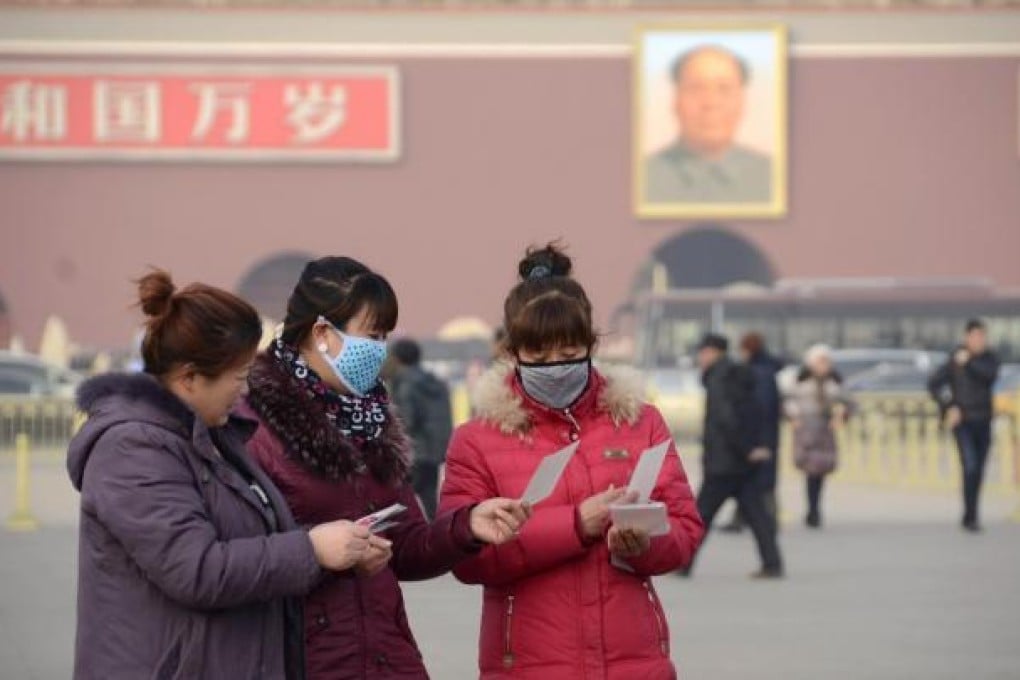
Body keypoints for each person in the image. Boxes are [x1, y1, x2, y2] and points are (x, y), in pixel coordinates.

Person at [67, 270, 376, 680]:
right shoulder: (132, 449)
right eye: (239, 376)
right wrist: (311, 549)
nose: (244, 390)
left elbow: (246, 543)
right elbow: (196, 569)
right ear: (190, 377)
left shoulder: (211, 437)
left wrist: (335, 550)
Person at [239, 256, 530, 680]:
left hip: (386, 657)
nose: (379, 349)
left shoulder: (371, 418)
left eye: (384, 336)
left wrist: (467, 526)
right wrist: (319, 552)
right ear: (322, 333)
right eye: (371, 335)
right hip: (306, 659)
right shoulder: (254, 425)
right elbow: (236, 559)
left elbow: (407, 547)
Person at [440, 243, 704, 680]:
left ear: (591, 344)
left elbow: (685, 529)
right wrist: (576, 524)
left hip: (632, 662)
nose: (556, 368)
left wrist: (645, 543)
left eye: (568, 355)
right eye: (539, 358)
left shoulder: (641, 422)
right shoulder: (476, 440)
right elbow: (467, 559)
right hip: (527, 664)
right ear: (512, 353)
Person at [685, 332, 783, 579]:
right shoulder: (739, 373)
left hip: (724, 462)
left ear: (711, 352)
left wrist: (745, 448)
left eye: (702, 352)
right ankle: (772, 563)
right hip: (740, 461)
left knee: (701, 515)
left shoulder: (720, 377)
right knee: (757, 514)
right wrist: (751, 448)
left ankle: (683, 564)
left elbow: (725, 418)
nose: (700, 358)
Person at [644, 44, 772, 205]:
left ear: (742, 102)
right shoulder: (642, 177)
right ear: (675, 101)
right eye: (695, 88)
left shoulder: (773, 176)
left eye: (724, 89)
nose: (711, 103)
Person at [928, 319, 1001, 532]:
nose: (978, 340)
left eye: (982, 336)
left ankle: (972, 512)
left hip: (984, 419)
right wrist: (949, 406)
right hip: (963, 421)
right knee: (969, 466)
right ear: (967, 337)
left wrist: (968, 362)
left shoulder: (990, 359)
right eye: (975, 336)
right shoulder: (954, 359)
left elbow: (989, 377)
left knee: (978, 468)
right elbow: (934, 384)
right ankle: (970, 516)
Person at [720, 332, 784, 532]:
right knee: (751, 478)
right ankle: (746, 518)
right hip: (765, 433)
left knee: (760, 479)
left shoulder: (757, 373)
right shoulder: (767, 370)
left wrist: (759, 440)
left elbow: (761, 407)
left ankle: (768, 520)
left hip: (759, 434)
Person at [785, 344, 853, 529]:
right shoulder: (800, 380)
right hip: (806, 429)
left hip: (824, 430)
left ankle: (814, 508)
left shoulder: (835, 382)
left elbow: (848, 402)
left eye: (825, 361)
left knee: (820, 470)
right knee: (810, 470)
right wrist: (793, 417)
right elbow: (788, 400)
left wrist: (841, 415)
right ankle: (812, 508)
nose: (823, 365)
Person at [389, 337, 453, 519]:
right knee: (429, 498)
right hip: (434, 452)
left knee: (398, 500)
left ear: (397, 359)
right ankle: (435, 536)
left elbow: (406, 421)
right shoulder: (435, 382)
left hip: (414, 452)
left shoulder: (406, 384)